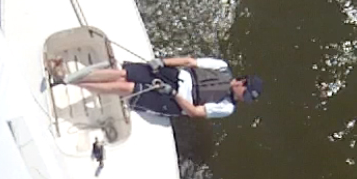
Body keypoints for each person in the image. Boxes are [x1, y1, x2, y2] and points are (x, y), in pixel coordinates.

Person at [52, 55, 263, 119]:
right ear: (242, 83)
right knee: (122, 74)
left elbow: (194, 112)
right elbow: (189, 61)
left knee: (127, 88)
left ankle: (74, 83)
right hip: (175, 75)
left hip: (175, 100)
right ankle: (69, 78)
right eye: (245, 94)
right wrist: (162, 62)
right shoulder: (221, 67)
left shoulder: (227, 107)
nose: (243, 99)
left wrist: (174, 94)